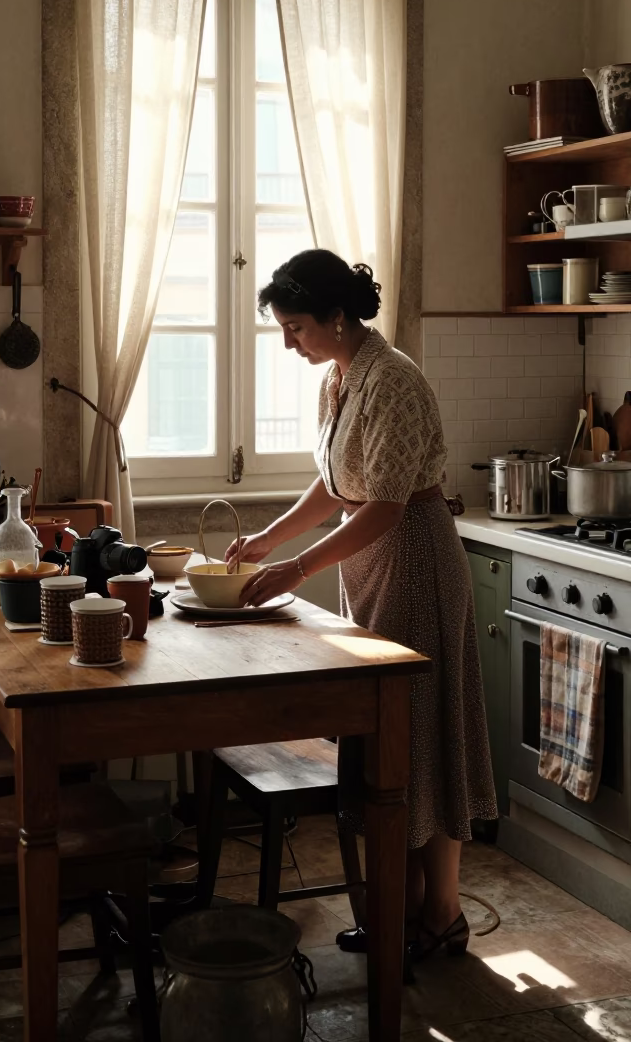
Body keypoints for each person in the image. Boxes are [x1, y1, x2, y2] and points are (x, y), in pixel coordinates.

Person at [226, 248, 497, 968]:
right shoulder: (340, 379)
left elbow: (383, 503)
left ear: (335, 316)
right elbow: (335, 483)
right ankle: (404, 909)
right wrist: (268, 539)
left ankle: (440, 914)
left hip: (414, 559)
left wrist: (299, 567)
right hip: (372, 563)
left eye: (294, 328)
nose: (289, 342)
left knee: (426, 733)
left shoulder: (395, 380)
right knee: (392, 740)